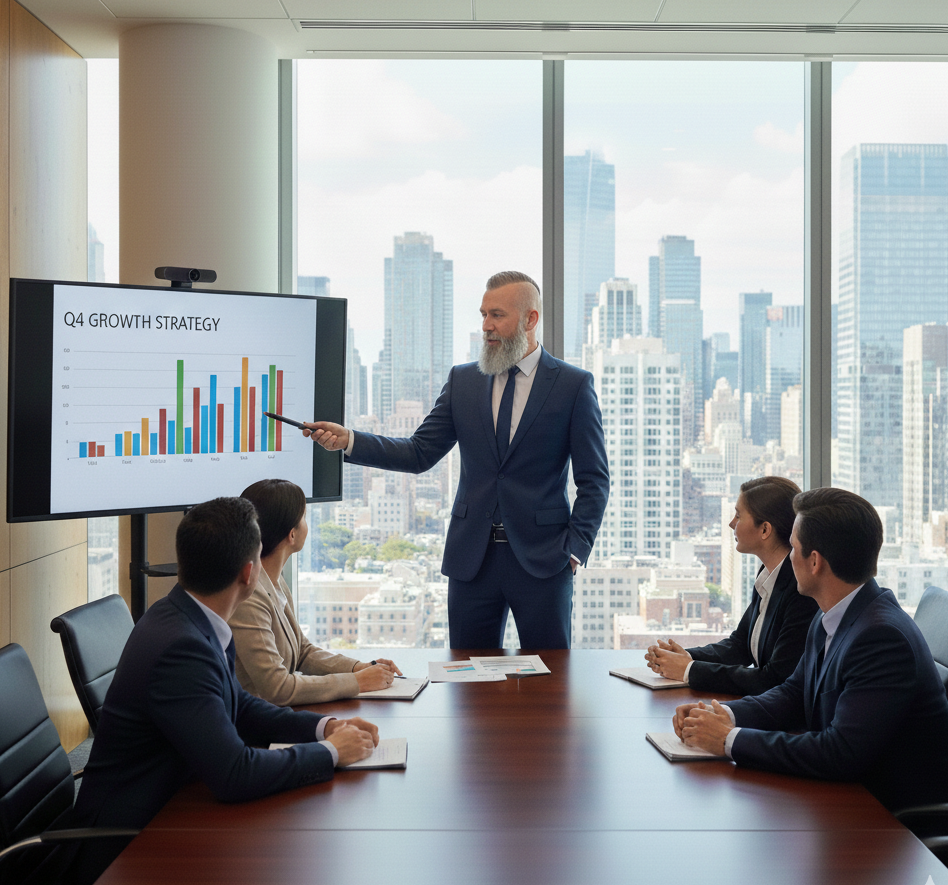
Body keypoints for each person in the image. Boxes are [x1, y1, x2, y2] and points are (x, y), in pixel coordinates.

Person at [67, 497, 380, 885]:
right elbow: (234, 774)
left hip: (175, 804)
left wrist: (323, 728)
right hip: (130, 844)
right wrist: (331, 754)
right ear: (249, 573)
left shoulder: (188, 615)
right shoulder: (180, 647)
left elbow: (240, 705)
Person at [304, 271, 609, 650]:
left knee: (551, 681)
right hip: (471, 561)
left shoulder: (573, 385)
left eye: (497, 315)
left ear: (530, 319)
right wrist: (350, 440)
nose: (486, 326)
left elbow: (594, 480)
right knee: (469, 685)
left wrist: (575, 550)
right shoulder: (464, 381)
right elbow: (419, 453)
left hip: (545, 560)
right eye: (483, 315)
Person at [673, 487, 948, 812]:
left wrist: (728, 739)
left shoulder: (882, 637)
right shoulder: (832, 614)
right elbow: (793, 693)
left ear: (814, 561)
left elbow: (840, 753)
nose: (789, 558)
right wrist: (722, 715)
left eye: (794, 548)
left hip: (885, 818)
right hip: (843, 796)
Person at [230, 479, 401, 704]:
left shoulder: (274, 579)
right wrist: (358, 682)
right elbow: (277, 687)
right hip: (255, 726)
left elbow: (302, 652)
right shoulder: (250, 596)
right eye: (303, 517)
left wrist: (359, 669)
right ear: (292, 534)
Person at [644, 476, 818, 695]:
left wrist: (689, 670)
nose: (731, 523)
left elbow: (773, 679)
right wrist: (686, 657)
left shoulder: (800, 590)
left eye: (738, 515)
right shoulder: (768, 573)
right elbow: (740, 645)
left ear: (765, 530)